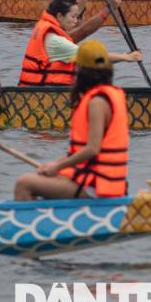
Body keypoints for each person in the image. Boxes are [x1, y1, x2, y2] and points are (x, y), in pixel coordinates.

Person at [14, 40, 130, 200]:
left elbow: (93, 149)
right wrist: (54, 164)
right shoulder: (111, 94)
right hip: (94, 178)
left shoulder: (97, 102)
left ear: (81, 70)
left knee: (24, 183)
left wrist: (58, 166)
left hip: (97, 184)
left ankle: (30, 224)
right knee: (43, 178)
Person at [18, 0, 141, 86]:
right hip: (40, 97)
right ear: (60, 16)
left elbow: (76, 9)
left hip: (40, 91)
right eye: (73, 17)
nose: (76, 21)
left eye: (76, 17)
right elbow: (91, 56)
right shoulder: (56, 42)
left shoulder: (48, 25)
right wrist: (126, 57)